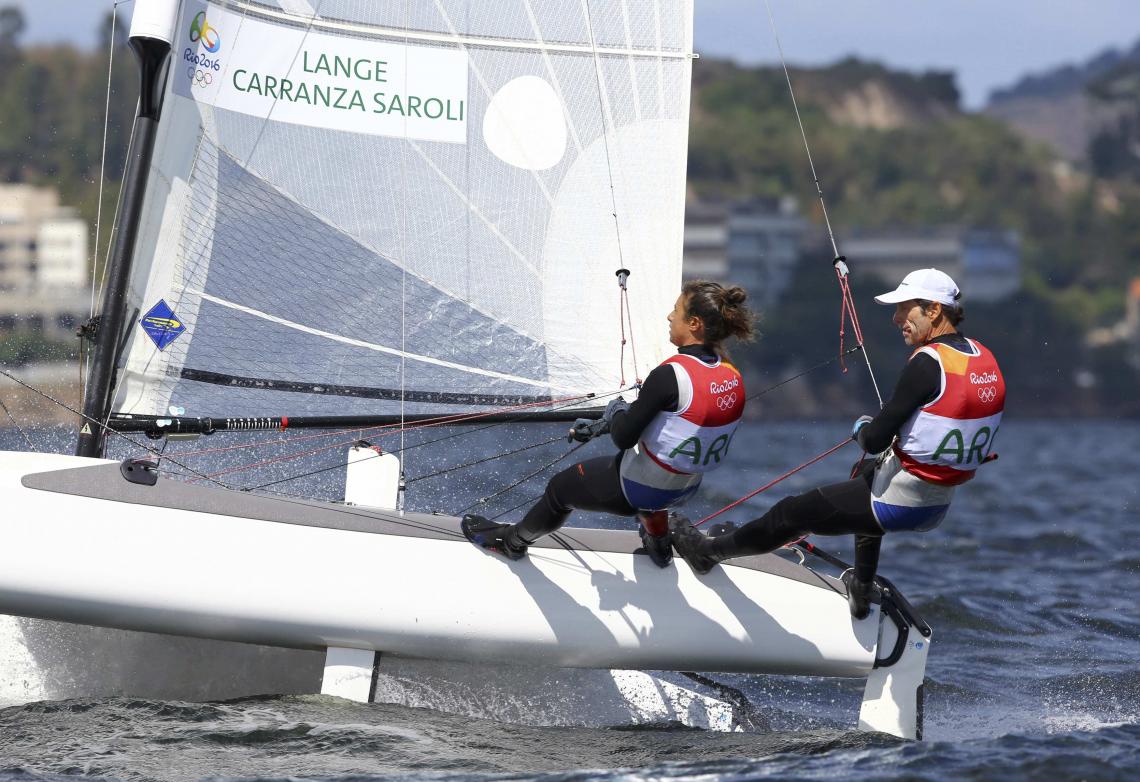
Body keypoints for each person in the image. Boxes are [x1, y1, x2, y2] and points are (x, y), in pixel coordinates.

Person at [670, 268, 1005, 618]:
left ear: (933, 311)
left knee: (790, 513)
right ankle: (861, 589)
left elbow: (875, 440)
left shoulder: (927, 362)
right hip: (935, 505)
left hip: (897, 502)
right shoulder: (983, 358)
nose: (897, 319)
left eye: (905, 309)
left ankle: (707, 552)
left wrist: (862, 427)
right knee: (865, 472)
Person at [462, 280, 755, 567]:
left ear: (694, 324)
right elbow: (677, 425)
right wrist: (613, 419)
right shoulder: (730, 374)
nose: (669, 316)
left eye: (676, 310)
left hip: (638, 489)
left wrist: (615, 411)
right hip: (685, 489)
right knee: (645, 463)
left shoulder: (670, 375)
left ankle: (511, 543)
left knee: (559, 490)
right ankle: (659, 540)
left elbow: (625, 437)